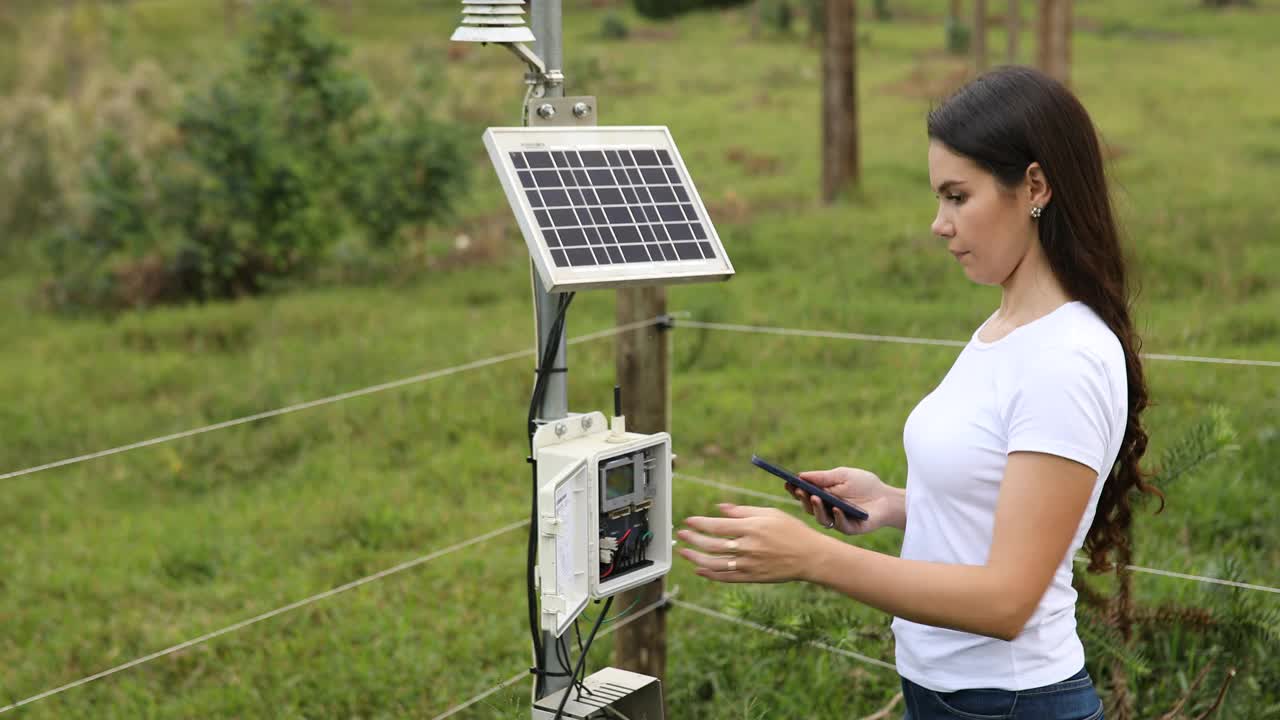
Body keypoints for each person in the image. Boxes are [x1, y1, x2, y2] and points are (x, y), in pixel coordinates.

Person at [677, 66, 1163, 720]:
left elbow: (1006, 601)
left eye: (957, 196)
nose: (939, 223)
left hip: (1010, 703)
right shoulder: (1007, 327)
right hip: (948, 696)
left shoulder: (1066, 359)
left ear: (1035, 187)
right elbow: (1006, 499)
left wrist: (816, 557)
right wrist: (896, 504)